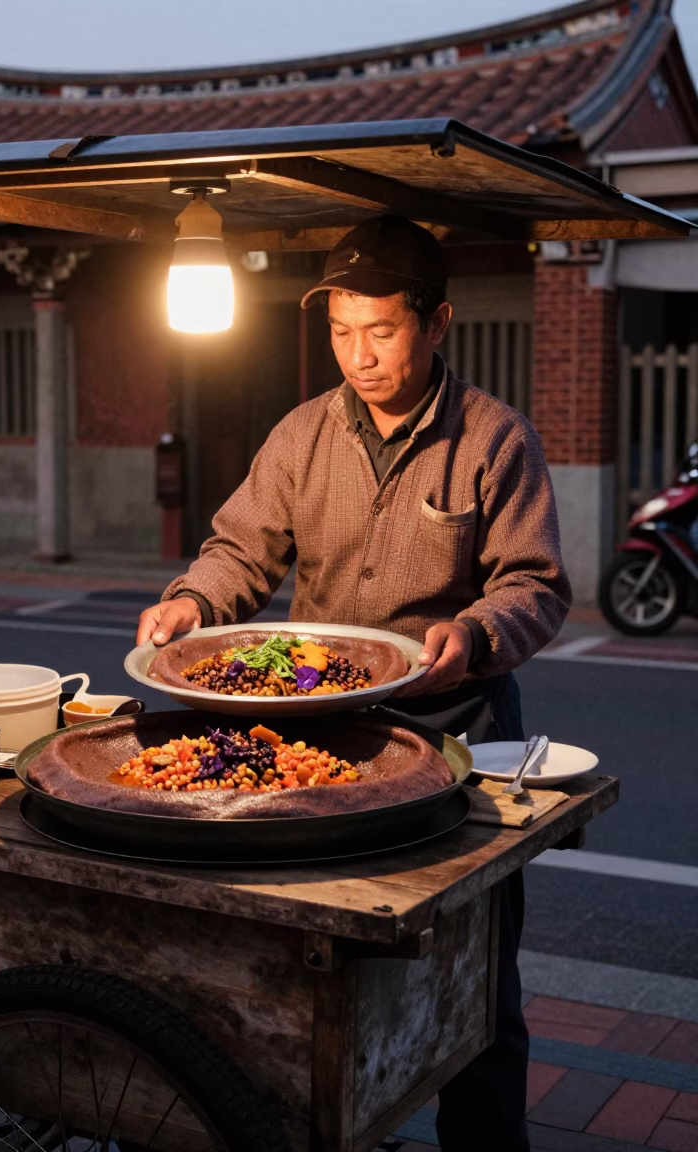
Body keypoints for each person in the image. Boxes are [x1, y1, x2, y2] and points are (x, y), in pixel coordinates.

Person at [137, 214, 571, 1152]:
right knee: (320, 964)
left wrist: (477, 630)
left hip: (454, 731)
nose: (360, 355)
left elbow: (535, 585)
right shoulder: (302, 434)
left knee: (477, 987)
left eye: (381, 330)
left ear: (437, 321)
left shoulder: (493, 438)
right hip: (319, 740)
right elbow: (236, 549)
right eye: (341, 331)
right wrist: (190, 603)